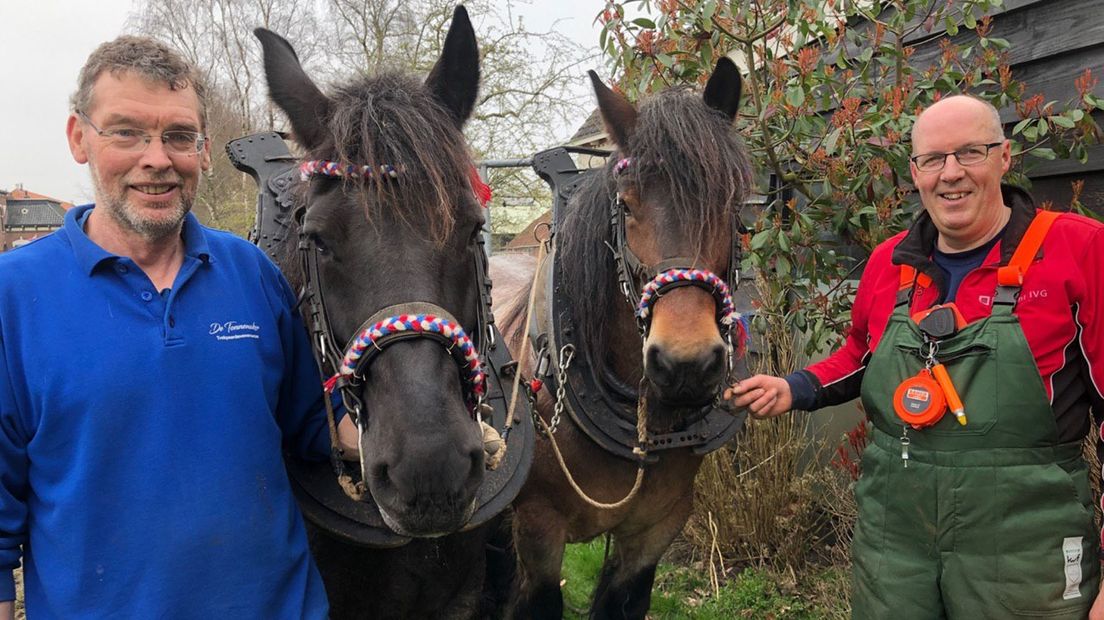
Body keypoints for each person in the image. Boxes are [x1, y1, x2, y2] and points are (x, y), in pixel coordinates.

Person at [0, 36, 356, 619]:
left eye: (178, 136)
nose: (157, 158)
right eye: (127, 132)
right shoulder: (13, 296)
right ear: (78, 139)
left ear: (205, 150)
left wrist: (424, 415)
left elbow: (313, 425)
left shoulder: (253, 274)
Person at [729, 94, 1104, 618]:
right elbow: (861, 355)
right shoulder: (890, 261)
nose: (951, 173)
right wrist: (793, 387)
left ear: (1004, 157)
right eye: (933, 159)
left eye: (970, 152)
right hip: (894, 550)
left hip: (1026, 554)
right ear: (915, 171)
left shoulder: (1079, 250)